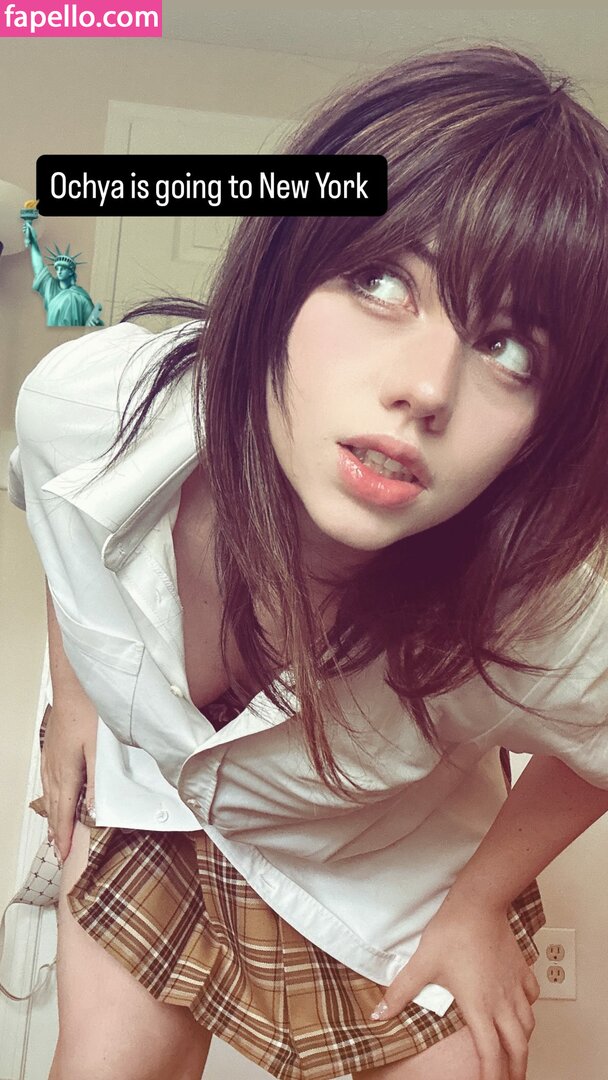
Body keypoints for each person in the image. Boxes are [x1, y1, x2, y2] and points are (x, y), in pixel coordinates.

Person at [8, 43, 608, 1080]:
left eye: (509, 348)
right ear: (282, 271)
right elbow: (70, 536)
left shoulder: (548, 614)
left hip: (380, 870)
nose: (426, 388)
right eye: (380, 280)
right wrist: (72, 704)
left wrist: (478, 904)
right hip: (156, 806)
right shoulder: (88, 407)